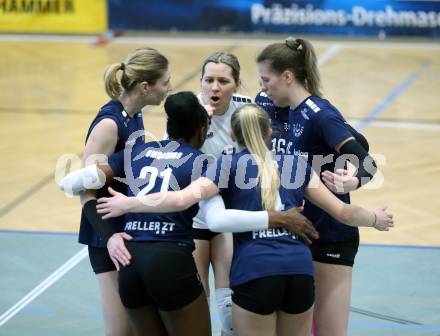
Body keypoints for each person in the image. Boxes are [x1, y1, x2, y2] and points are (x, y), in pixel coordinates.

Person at [94, 104, 394, 336]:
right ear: (269, 133)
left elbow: (182, 199)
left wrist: (129, 202)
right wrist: (376, 218)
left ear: (233, 135)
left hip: (256, 272)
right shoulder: (296, 164)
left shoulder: (225, 165)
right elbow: (344, 212)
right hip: (300, 271)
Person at [59, 93, 318, 335]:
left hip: (130, 261)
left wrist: (112, 221)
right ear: (203, 130)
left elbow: (71, 183)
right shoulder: (203, 163)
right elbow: (210, 214)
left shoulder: (135, 152)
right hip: (170, 260)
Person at [256, 37, 381, 336]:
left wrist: (352, 180)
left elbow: (367, 161)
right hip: (289, 231)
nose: (262, 87)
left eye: (265, 79)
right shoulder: (268, 105)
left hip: (330, 236)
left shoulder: (319, 114)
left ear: (287, 76)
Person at [73, 47, 171, 336]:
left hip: (129, 231)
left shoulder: (134, 115)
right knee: (120, 331)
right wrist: (110, 237)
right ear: (145, 86)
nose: (169, 87)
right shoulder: (109, 125)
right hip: (107, 238)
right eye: (165, 82)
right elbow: (83, 189)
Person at [192, 51, 254, 335]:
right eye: (209, 80)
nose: (214, 87)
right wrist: (198, 127)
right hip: (193, 218)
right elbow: (175, 161)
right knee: (194, 304)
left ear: (237, 84)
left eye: (223, 81)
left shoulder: (247, 112)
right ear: (201, 82)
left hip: (228, 219)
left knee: (230, 311)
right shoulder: (187, 110)